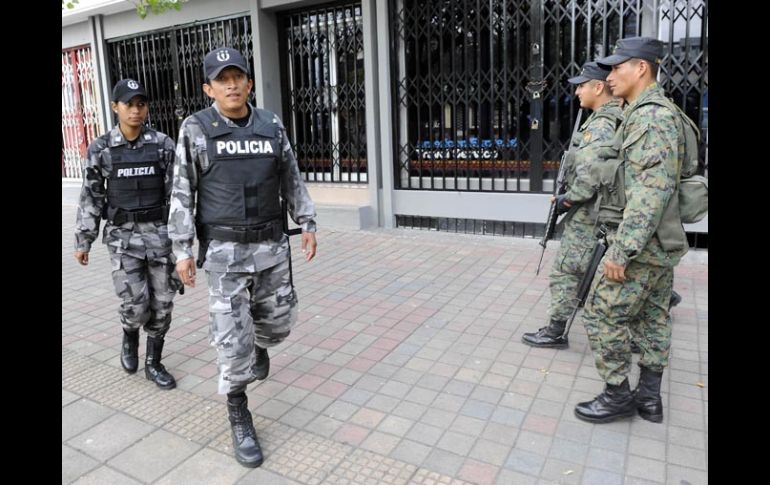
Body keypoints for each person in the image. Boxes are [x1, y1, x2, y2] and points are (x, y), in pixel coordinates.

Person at [168, 47, 317, 468]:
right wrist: (181, 250)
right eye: (222, 79)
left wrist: (307, 221)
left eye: (238, 77)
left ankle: (261, 347)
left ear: (249, 83)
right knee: (233, 342)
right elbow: (182, 190)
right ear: (209, 88)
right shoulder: (196, 128)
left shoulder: (270, 125)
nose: (231, 85)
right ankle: (239, 410)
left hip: (271, 249)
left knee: (279, 324)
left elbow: (290, 175)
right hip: (223, 256)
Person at [574, 37, 695, 424]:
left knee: (600, 314)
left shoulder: (651, 117)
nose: (609, 76)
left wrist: (621, 251)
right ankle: (649, 399)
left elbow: (650, 194)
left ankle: (617, 395)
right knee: (653, 317)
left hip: (640, 245)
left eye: (616, 67)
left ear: (641, 67)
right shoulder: (649, 111)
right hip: (659, 243)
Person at [74, 78, 179, 390]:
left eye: (141, 104)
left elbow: (178, 195)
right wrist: (84, 239)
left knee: (163, 304)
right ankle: (129, 336)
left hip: (160, 238)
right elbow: (92, 195)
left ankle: (154, 362)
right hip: (123, 240)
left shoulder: (163, 145)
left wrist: (185, 241)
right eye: (129, 104)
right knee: (135, 305)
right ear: (115, 107)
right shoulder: (102, 148)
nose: (136, 110)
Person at [522, 62, 622, 349]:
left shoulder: (601, 125)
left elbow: (590, 177)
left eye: (582, 86)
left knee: (566, 269)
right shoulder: (616, 118)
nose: (577, 92)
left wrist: (567, 199)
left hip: (591, 212)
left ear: (598, 87)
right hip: (606, 210)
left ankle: (555, 331)